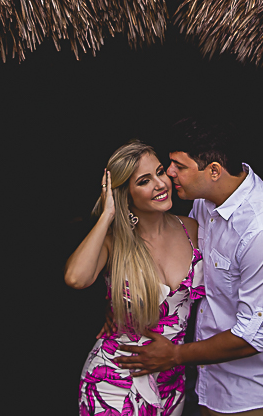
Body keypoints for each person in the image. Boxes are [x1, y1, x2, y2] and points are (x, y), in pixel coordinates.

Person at [114, 119, 263, 416]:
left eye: (179, 166)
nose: (169, 173)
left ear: (214, 171)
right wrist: (122, 306)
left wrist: (175, 355)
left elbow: (252, 336)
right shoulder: (206, 202)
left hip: (256, 396)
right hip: (210, 386)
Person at [66, 140, 205, 416]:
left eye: (160, 172)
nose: (160, 184)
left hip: (170, 384)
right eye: (144, 181)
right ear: (126, 195)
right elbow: (76, 279)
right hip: (114, 380)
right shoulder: (115, 241)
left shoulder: (191, 228)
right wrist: (108, 214)